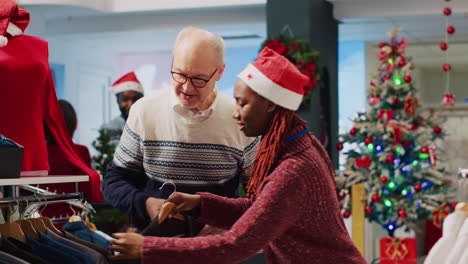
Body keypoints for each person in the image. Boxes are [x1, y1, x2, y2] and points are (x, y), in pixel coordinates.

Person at [110, 47, 367, 264]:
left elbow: (235, 244)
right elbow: (261, 210)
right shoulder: (299, 141)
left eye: (243, 103)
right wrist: (200, 203)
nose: (235, 113)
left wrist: (148, 248)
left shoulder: (293, 170)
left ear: (270, 104)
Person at [102, 27, 259, 231]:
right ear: (172, 63)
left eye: (199, 79)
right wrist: (145, 204)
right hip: (154, 246)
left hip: (216, 250)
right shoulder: (144, 111)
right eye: (180, 74)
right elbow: (114, 181)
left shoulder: (239, 119)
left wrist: (231, 224)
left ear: (220, 72)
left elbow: (260, 196)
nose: (187, 88)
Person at [39, 99, 93, 220]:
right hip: (73, 219)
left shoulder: (38, 154)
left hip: (40, 222)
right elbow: (88, 191)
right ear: (74, 123)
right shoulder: (80, 152)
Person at [101, 71, 144, 145]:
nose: (131, 104)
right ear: (117, 100)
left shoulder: (151, 124)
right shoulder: (110, 128)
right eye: (125, 99)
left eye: (135, 99)